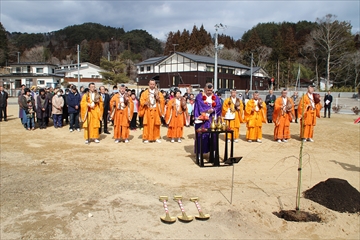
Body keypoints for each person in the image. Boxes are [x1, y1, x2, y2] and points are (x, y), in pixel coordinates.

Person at [194, 83, 222, 156]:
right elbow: (200, 105)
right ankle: (200, 153)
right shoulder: (199, 97)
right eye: (208, 90)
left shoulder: (215, 97)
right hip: (202, 120)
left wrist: (213, 110)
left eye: (211, 90)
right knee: (201, 136)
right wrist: (207, 110)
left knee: (213, 136)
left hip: (212, 119)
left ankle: (213, 152)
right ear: (204, 89)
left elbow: (219, 106)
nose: (209, 92)